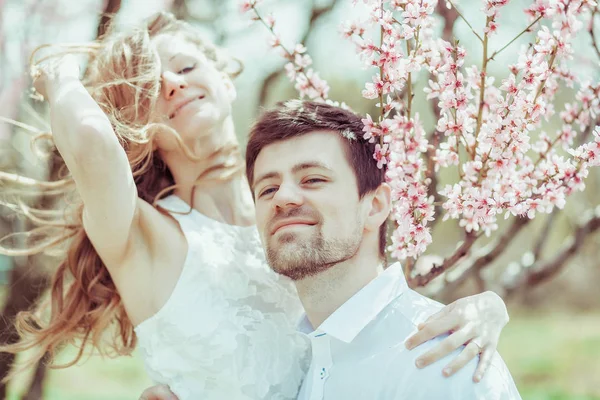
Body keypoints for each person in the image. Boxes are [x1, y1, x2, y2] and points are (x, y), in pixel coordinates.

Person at [0, 12, 509, 400]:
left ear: (223, 77)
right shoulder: (142, 235)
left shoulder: (294, 210)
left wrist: (486, 310)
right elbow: (89, 139)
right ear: (135, 118)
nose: (172, 83)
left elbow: (374, 304)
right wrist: (58, 74)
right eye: (151, 86)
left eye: (185, 66)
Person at [245, 100, 522, 399]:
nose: (283, 197)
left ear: (375, 206)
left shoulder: (446, 364)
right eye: (267, 189)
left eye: (313, 179)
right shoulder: (282, 363)